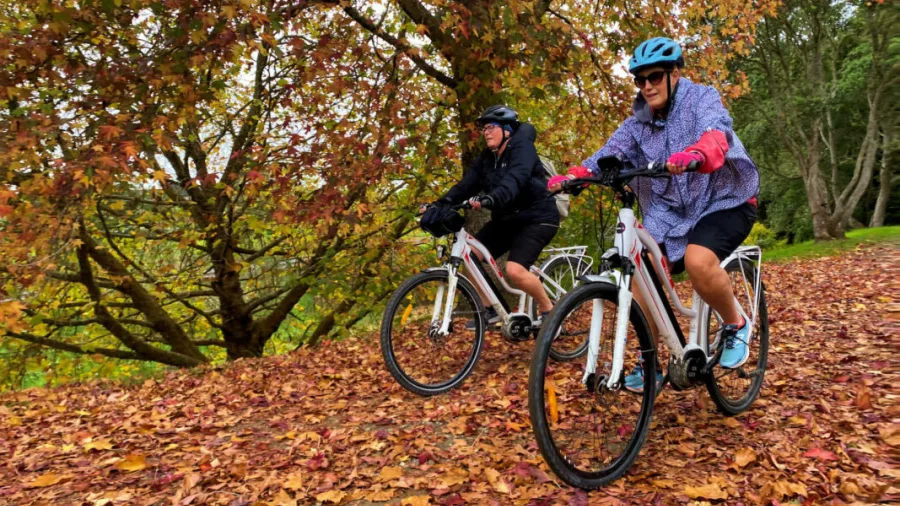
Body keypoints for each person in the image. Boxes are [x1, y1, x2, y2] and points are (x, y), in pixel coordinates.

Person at [549, 37, 760, 392]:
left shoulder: (701, 99)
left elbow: (716, 130)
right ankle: (651, 360)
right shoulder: (637, 124)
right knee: (638, 270)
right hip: (673, 212)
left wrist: (697, 153)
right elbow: (609, 153)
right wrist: (576, 176)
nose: (647, 86)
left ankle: (736, 323)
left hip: (724, 199)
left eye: (655, 77)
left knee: (698, 260)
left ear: (675, 74)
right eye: (640, 80)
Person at [430, 105, 560, 328]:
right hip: (507, 220)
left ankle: (551, 312)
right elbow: (466, 185)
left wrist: (492, 198)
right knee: (469, 257)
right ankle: (491, 310)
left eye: (491, 127)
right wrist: (439, 205)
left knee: (515, 270)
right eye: (484, 129)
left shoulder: (523, 149)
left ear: (507, 130)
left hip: (537, 217)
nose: (486, 132)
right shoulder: (487, 158)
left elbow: (515, 180)